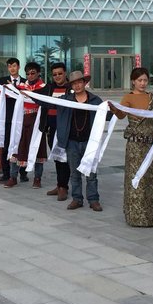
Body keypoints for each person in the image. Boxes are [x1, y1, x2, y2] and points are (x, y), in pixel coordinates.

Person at [109, 67, 153, 227]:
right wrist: (113, 109)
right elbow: (121, 115)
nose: (142, 83)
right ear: (133, 81)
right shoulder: (128, 97)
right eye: (139, 80)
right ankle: (136, 217)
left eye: (145, 80)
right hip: (136, 146)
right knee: (137, 179)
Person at [55, 71, 107, 211]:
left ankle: (93, 199)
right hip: (72, 142)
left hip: (90, 142)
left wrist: (114, 108)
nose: (77, 85)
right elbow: (48, 102)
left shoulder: (95, 100)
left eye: (79, 82)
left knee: (91, 173)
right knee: (74, 173)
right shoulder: (66, 99)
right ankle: (77, 199)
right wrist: (29, 95)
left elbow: (107, 116)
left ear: (84, 83)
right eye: (74, 83)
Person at [10, 62, 48, 188]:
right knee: (16, 147)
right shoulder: (21, 85)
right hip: (21, 120)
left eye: (32, 73)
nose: (30, 76)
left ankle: (37, 178)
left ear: (38, 73)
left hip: (36, 121)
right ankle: (13, 177)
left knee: (37, 149)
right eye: (27, 74)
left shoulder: (44, 87)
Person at [38, 63, 70, 201]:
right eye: (55, 74)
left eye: (60, 73)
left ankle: (64, 187)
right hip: (51, 128)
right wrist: (19, 90)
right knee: (57, 157)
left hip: (66, 129)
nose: (57, 76)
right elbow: (34, 94)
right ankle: (59, 184)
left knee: (65, 158)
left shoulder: (71, 89)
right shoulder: (49, 87)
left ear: (65, 73)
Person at [0, 58, 24, 185]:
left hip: (21, 119)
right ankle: (6, 173)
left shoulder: (25, 82)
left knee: (22, 146)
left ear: (18, 67)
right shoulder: (3, 81)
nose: (12, 68)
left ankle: (23, 173)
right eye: (10, 66)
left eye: (14, 66)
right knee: (6, 146)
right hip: (7, 119)